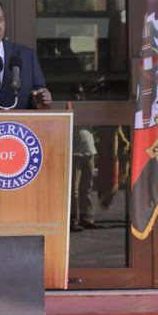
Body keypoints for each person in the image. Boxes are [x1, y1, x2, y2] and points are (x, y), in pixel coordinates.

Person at [70, 83, 104, 232]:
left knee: (87, 187)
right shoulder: (70, 107)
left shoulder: (88, 108)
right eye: (77, 93)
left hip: (89, 151)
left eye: (81, 93)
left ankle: (87, 218)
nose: (79, 96)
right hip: (75, 152)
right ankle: (73, 219)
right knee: (74, 189)